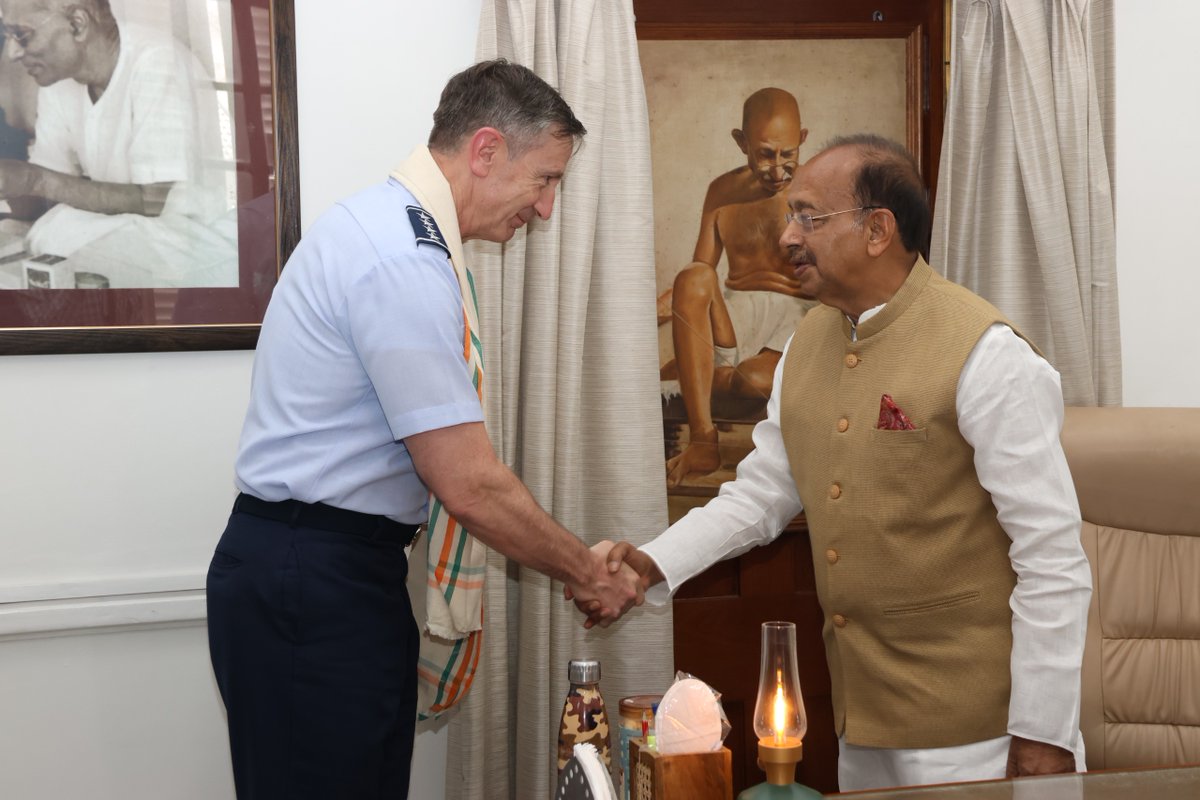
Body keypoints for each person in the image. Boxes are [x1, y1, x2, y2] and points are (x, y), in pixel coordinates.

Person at [594, 135, 1093, 791]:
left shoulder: (988, 353)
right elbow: (761, 495)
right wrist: (652, 562)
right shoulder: (806, 344)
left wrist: (1044, 735)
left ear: (878, 230)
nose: (787, 237)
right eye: (790, 217)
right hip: (861, 724)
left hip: (980, 735)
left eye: (809, 217)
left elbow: (1052, 556)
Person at [206, 59, 644, 800]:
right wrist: (585, 569)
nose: (545, 209)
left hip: (331, 571)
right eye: (545, 180)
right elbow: (468, 484)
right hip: (314, 578)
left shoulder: (395, 232)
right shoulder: (400, 258)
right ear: (486, 150)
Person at [0, 0, 229, 283]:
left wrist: (33, 180)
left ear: (77, 24)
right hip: (119, 229)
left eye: (21, 35)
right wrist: (12, 182)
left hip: (186, 240)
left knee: (56, 235)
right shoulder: (58, 80)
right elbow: (40, 196)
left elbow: (153, 201)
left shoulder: (158, 61)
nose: (12, 53)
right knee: (45, 234)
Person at [659, 87, 814, 488]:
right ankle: (703, 439)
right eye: (765, 154)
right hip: (735, 318)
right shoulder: (721, 191)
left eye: (787, 154)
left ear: (802, 139)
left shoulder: (817, 190)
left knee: (751, 381)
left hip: (793, 321)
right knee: (691, 276)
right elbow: (700, 274)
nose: (777, 169)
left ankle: (703, 373)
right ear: (741, 142)